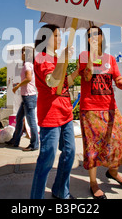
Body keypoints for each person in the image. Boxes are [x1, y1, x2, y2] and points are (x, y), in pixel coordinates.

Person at [77, 26, 122, 199]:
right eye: (90, 36)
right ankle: (93, 183)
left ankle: (113, 171)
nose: (94, 37)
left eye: (97, 34)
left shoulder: (110, 59)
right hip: (91, 109)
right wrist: (91, 54)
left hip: (110, 108)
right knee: (93, 147)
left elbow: (119, 81)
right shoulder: (83, 57)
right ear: (88, 40)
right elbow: (88, 76)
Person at [30, 24, 76, 199]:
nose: (60, 39)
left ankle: (60, 190)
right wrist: (63, 59)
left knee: (70, 153)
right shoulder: (41, 58)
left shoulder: (56, 58)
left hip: (66, 112)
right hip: (50, 114)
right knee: (46, 159)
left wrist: (77, 70)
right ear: (45, 37)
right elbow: (51, 82)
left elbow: (64, 83)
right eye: (56, 36)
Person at [7, 46, 39, 151]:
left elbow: (28, 78)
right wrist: (19, 84)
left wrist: (17, 86)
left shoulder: (27, 64)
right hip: (27, 96)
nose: (22, 54)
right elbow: (28, 79)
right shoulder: (29, 64)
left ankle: (34, 144)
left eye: (23, 52)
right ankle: (15, 141)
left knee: (31, 121)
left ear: (28, 54)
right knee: (19, 118)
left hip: (29, 96)